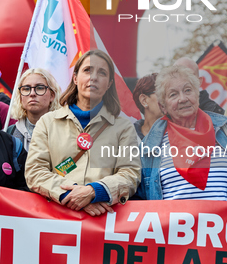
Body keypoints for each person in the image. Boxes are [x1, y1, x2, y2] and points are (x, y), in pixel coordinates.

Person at [25, 50, 141, 216]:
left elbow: (130, 174)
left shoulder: (123, 127)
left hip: (104, 223)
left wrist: (94, 192)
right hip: (57, 219)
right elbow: (35, 172)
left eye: (102, 73)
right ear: (75, 78)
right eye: (87, 70)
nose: (93, 77)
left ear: (108, 84)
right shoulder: (47, 122)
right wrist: (72, 196)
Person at [138, 65, 227, 212]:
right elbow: (138, 198)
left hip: (223, 231)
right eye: (173, 95)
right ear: (163, 106)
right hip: (172, 232)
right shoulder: (150, 145)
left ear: (197, 95)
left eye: (188, 90)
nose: (183, 98)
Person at [174, 57, 227, 128]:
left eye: (188, 75)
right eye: (176, 75)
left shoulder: (225, 120)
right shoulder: (164, 119)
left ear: (199, 81)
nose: (181, 80)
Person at [7, 68, 61, 151]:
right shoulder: (9, 133)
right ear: (20, 97)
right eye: (26, 89)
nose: (32, 93)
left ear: (52, 95)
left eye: (39, 88)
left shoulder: (65, 130)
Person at [132, 73, 163, 141]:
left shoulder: (179, 131)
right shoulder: (127, 135)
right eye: (161, 93)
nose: (167, 98)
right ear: (144, 100)